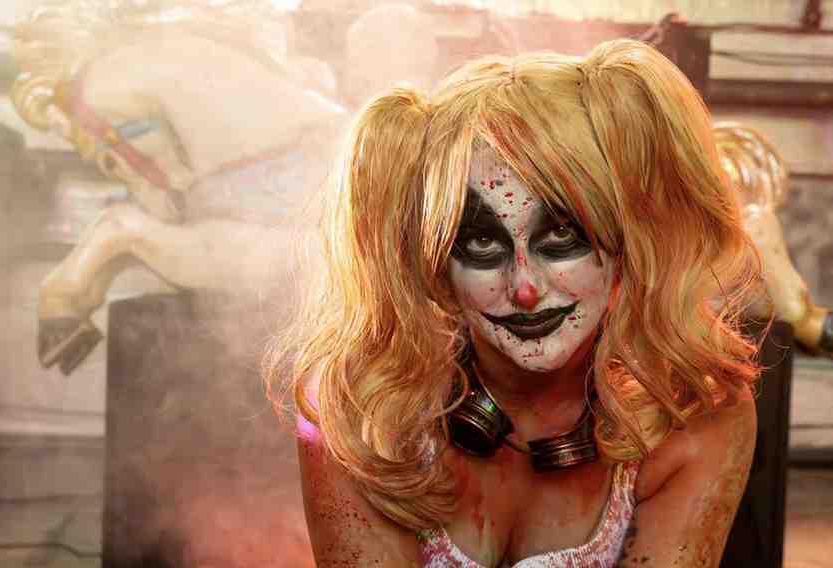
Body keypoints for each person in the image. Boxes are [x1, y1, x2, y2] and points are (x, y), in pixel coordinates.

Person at [267, 39, 764, 567]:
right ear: (436, 261)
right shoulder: (360, 411)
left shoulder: (696, 413)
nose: (525, 288)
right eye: (483, 242)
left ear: (628, 239)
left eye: (562, 235)